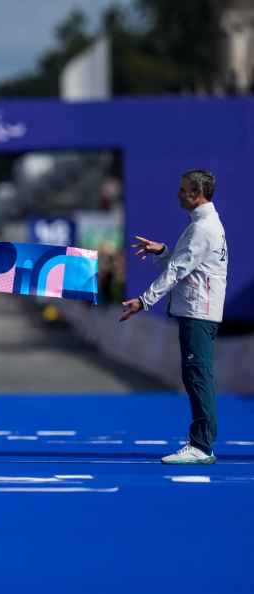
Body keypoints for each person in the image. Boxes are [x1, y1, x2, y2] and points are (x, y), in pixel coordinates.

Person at [120, 169, 227, 464]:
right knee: (197, 376)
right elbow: (185, 263)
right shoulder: (204, 225)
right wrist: (164, 250)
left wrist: (143, 301)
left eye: (183, 190)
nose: (178, 194)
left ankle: (201, 445)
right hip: (200, 310)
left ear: (197, 194)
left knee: (198, 376)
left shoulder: (203, 228)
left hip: (198, 311)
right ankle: (202, 442)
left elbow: (177, 271)